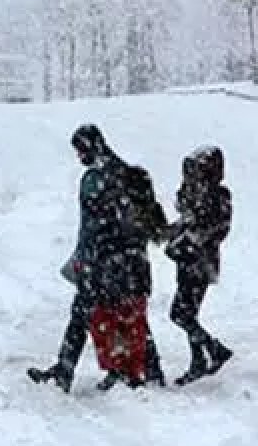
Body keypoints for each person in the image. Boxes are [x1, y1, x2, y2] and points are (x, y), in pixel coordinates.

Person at [28, 124, 167, 392]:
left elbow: (93, 227)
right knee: (129, 316)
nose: (79, 157)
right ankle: (149, 371)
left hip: (103, 264)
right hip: (131, 262)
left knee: (86, 315)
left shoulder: (94, 180)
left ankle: (68, 372)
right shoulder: (130, 175)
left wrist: (85, 260)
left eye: (80, 151)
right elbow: (148, 223)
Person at [165, 145, 234, 386]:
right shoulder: (196, 195)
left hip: (200, 263)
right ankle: (198, 360)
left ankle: (214, 350)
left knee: (180, 314)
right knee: (187, 313)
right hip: (188, 261)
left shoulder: (218, 196)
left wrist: (191, 239)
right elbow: (187, 220)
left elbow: (216, 228)